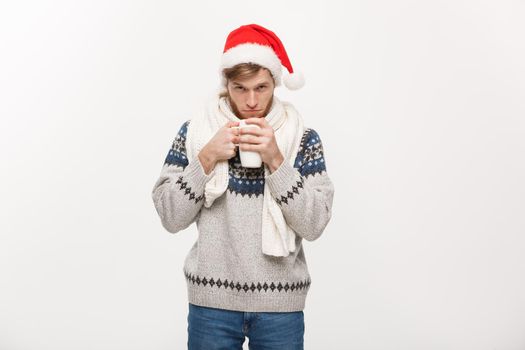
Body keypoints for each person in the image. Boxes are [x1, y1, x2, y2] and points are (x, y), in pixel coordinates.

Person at [151, 23, 335, 350]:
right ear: (226, 84)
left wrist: (276, 160)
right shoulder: (196, 132)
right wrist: (206, 157)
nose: (251, 100)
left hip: (281, 306)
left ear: (276, 83)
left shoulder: (302, 138)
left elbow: (315, 224)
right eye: (240, 88)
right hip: (212, 302)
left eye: (262, 87)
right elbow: (170, 217)